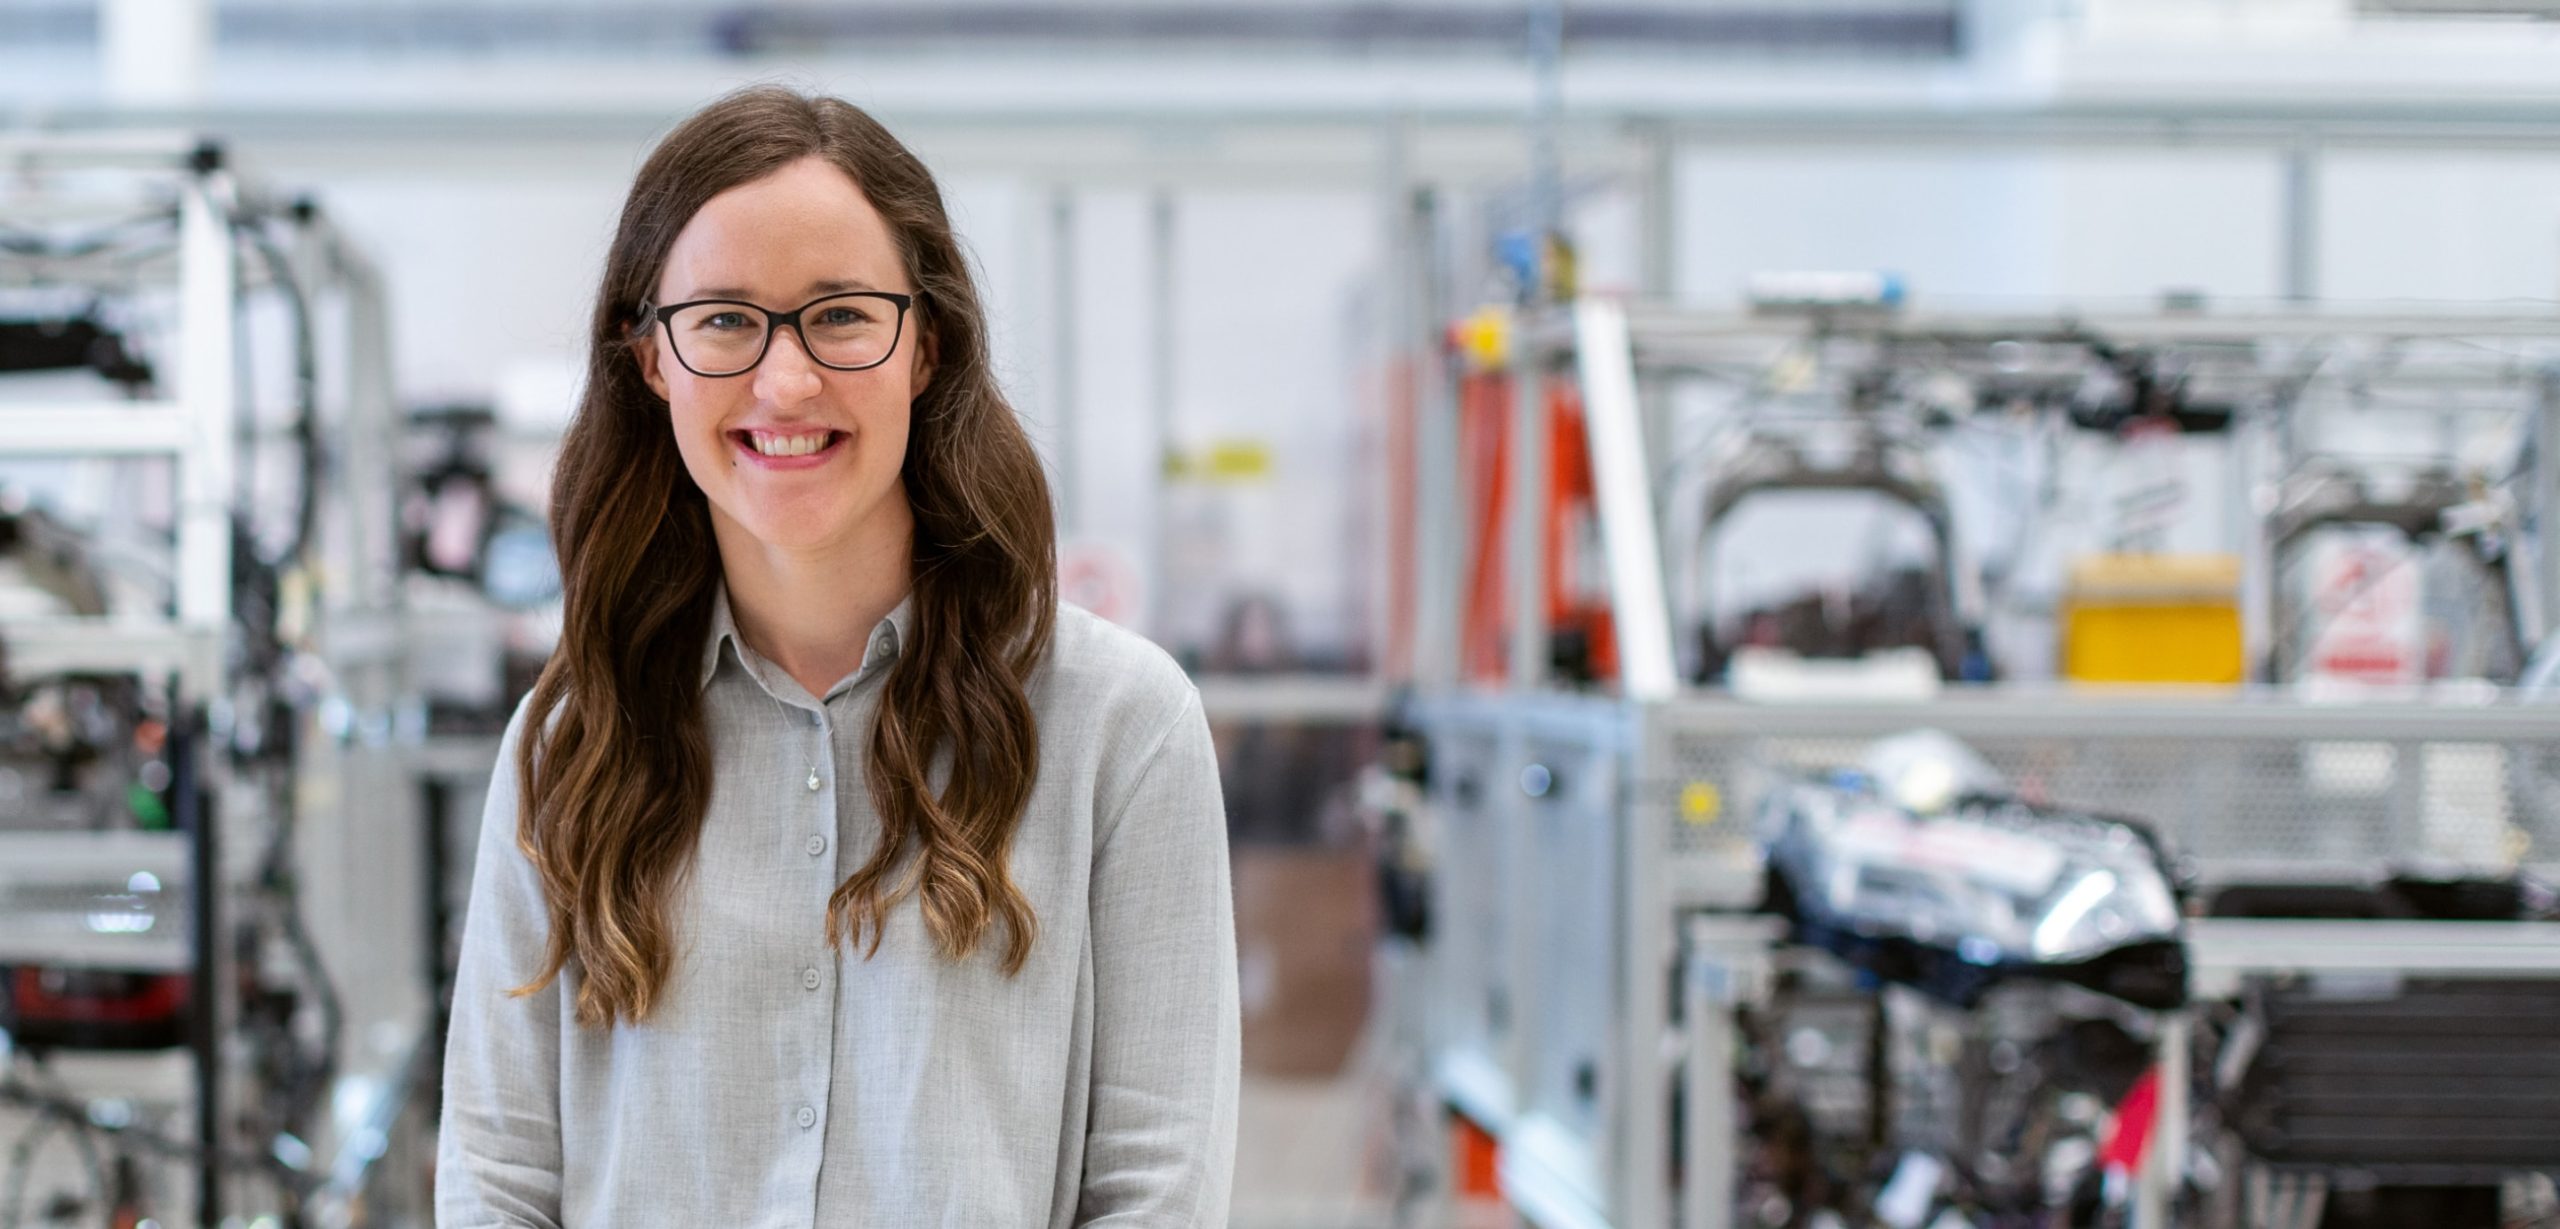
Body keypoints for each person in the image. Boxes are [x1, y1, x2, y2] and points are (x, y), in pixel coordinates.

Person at [435, 86, 1238, 1228]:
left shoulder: (1120, 726)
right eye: (724, 318)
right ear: (651, 358)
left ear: (927, 346)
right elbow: (498, 1176)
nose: (786, 382)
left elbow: (1158, 1186)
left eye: (842, 315)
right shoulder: (573, 739)